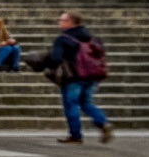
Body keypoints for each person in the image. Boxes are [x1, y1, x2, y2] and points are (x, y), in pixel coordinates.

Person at [27, 11, 109, 144]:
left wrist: (45, 61)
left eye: (62, 20)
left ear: (70, 22)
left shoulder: (63, 39)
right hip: (90, 75)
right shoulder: (91, 37)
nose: (59, 22)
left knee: (71, 104)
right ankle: (103, 122)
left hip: (73, 76)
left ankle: (75, 135)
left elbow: (55, 58)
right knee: (86, 103)